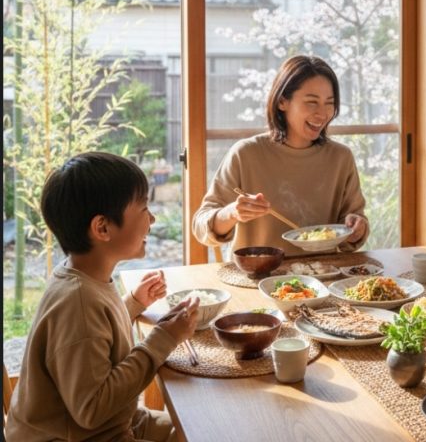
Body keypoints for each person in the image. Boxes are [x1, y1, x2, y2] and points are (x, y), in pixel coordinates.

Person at [5, 152, 200, 441]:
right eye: (144, 209)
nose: (153, 218)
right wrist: (163, 339)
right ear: (103, 228)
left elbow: (95, 336)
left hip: (112, 423)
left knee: (196, 429)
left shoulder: (80, 277)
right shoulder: (78, 303)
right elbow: (91, 409)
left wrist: (132, 303)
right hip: (80, 434)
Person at [192, 55, 369, 257]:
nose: (323, 113)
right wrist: (232, 213)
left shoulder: (340, 157)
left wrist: (357, 228)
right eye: (311, 102)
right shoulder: (246, 154)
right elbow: (200, 227)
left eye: (329, 103)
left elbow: (353, 226)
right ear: (282, 101)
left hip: (322, 276)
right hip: (257, 277)